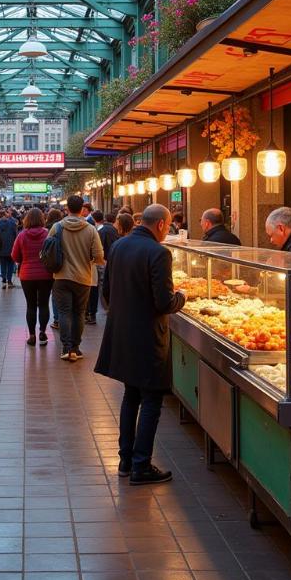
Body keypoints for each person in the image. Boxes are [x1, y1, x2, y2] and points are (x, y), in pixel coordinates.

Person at [94, 204, 186, 485]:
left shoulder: (119, 247)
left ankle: (125, 460)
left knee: (130, 395)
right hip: (148, 336)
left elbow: (106, 290)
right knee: (151, 399)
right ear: (160, 225)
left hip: (122, 332)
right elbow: (163, 302)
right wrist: (181, 297)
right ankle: (141, 465)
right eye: (167, 227)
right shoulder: (159, 253)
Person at [50, 194, 104, 362]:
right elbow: (99, 256)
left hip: (61, 276)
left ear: (67, 209)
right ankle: (75, 348)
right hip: (83, 277)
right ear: (82, 209)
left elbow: (47, 249)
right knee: (79, 313)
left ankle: (65, 348)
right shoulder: (90, 229)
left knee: (65, 312)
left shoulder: (57, 227)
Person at [11, 207, 53, 346]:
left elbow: (14, 255)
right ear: (42, 219)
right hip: (46, 274)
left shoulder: (22, 235)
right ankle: (42, 332)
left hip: (27, 274)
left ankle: (32, 335)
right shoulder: (48, 234)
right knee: (44, 304)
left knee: (30, 305)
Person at [86, 210, 118, 325]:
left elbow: (98, 251)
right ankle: (92, 313)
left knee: (97, 287)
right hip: (101, 264)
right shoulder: (110, 230)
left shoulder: (99, 231)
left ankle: (90, 313)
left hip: (96, 265)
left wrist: (100, 261)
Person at [46, 208, 63, 330]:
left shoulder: (48, 228)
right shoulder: (63, 227)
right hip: (67, 264)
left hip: (53, 265)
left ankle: (57, 319)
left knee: (55, 293)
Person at [0, 208, 18, 288]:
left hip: (1, 247)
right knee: (10, 264)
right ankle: (9, 280)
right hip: (11, 247)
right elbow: (15, 236)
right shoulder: (13, 223)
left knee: (3, 264)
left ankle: (4, 278)